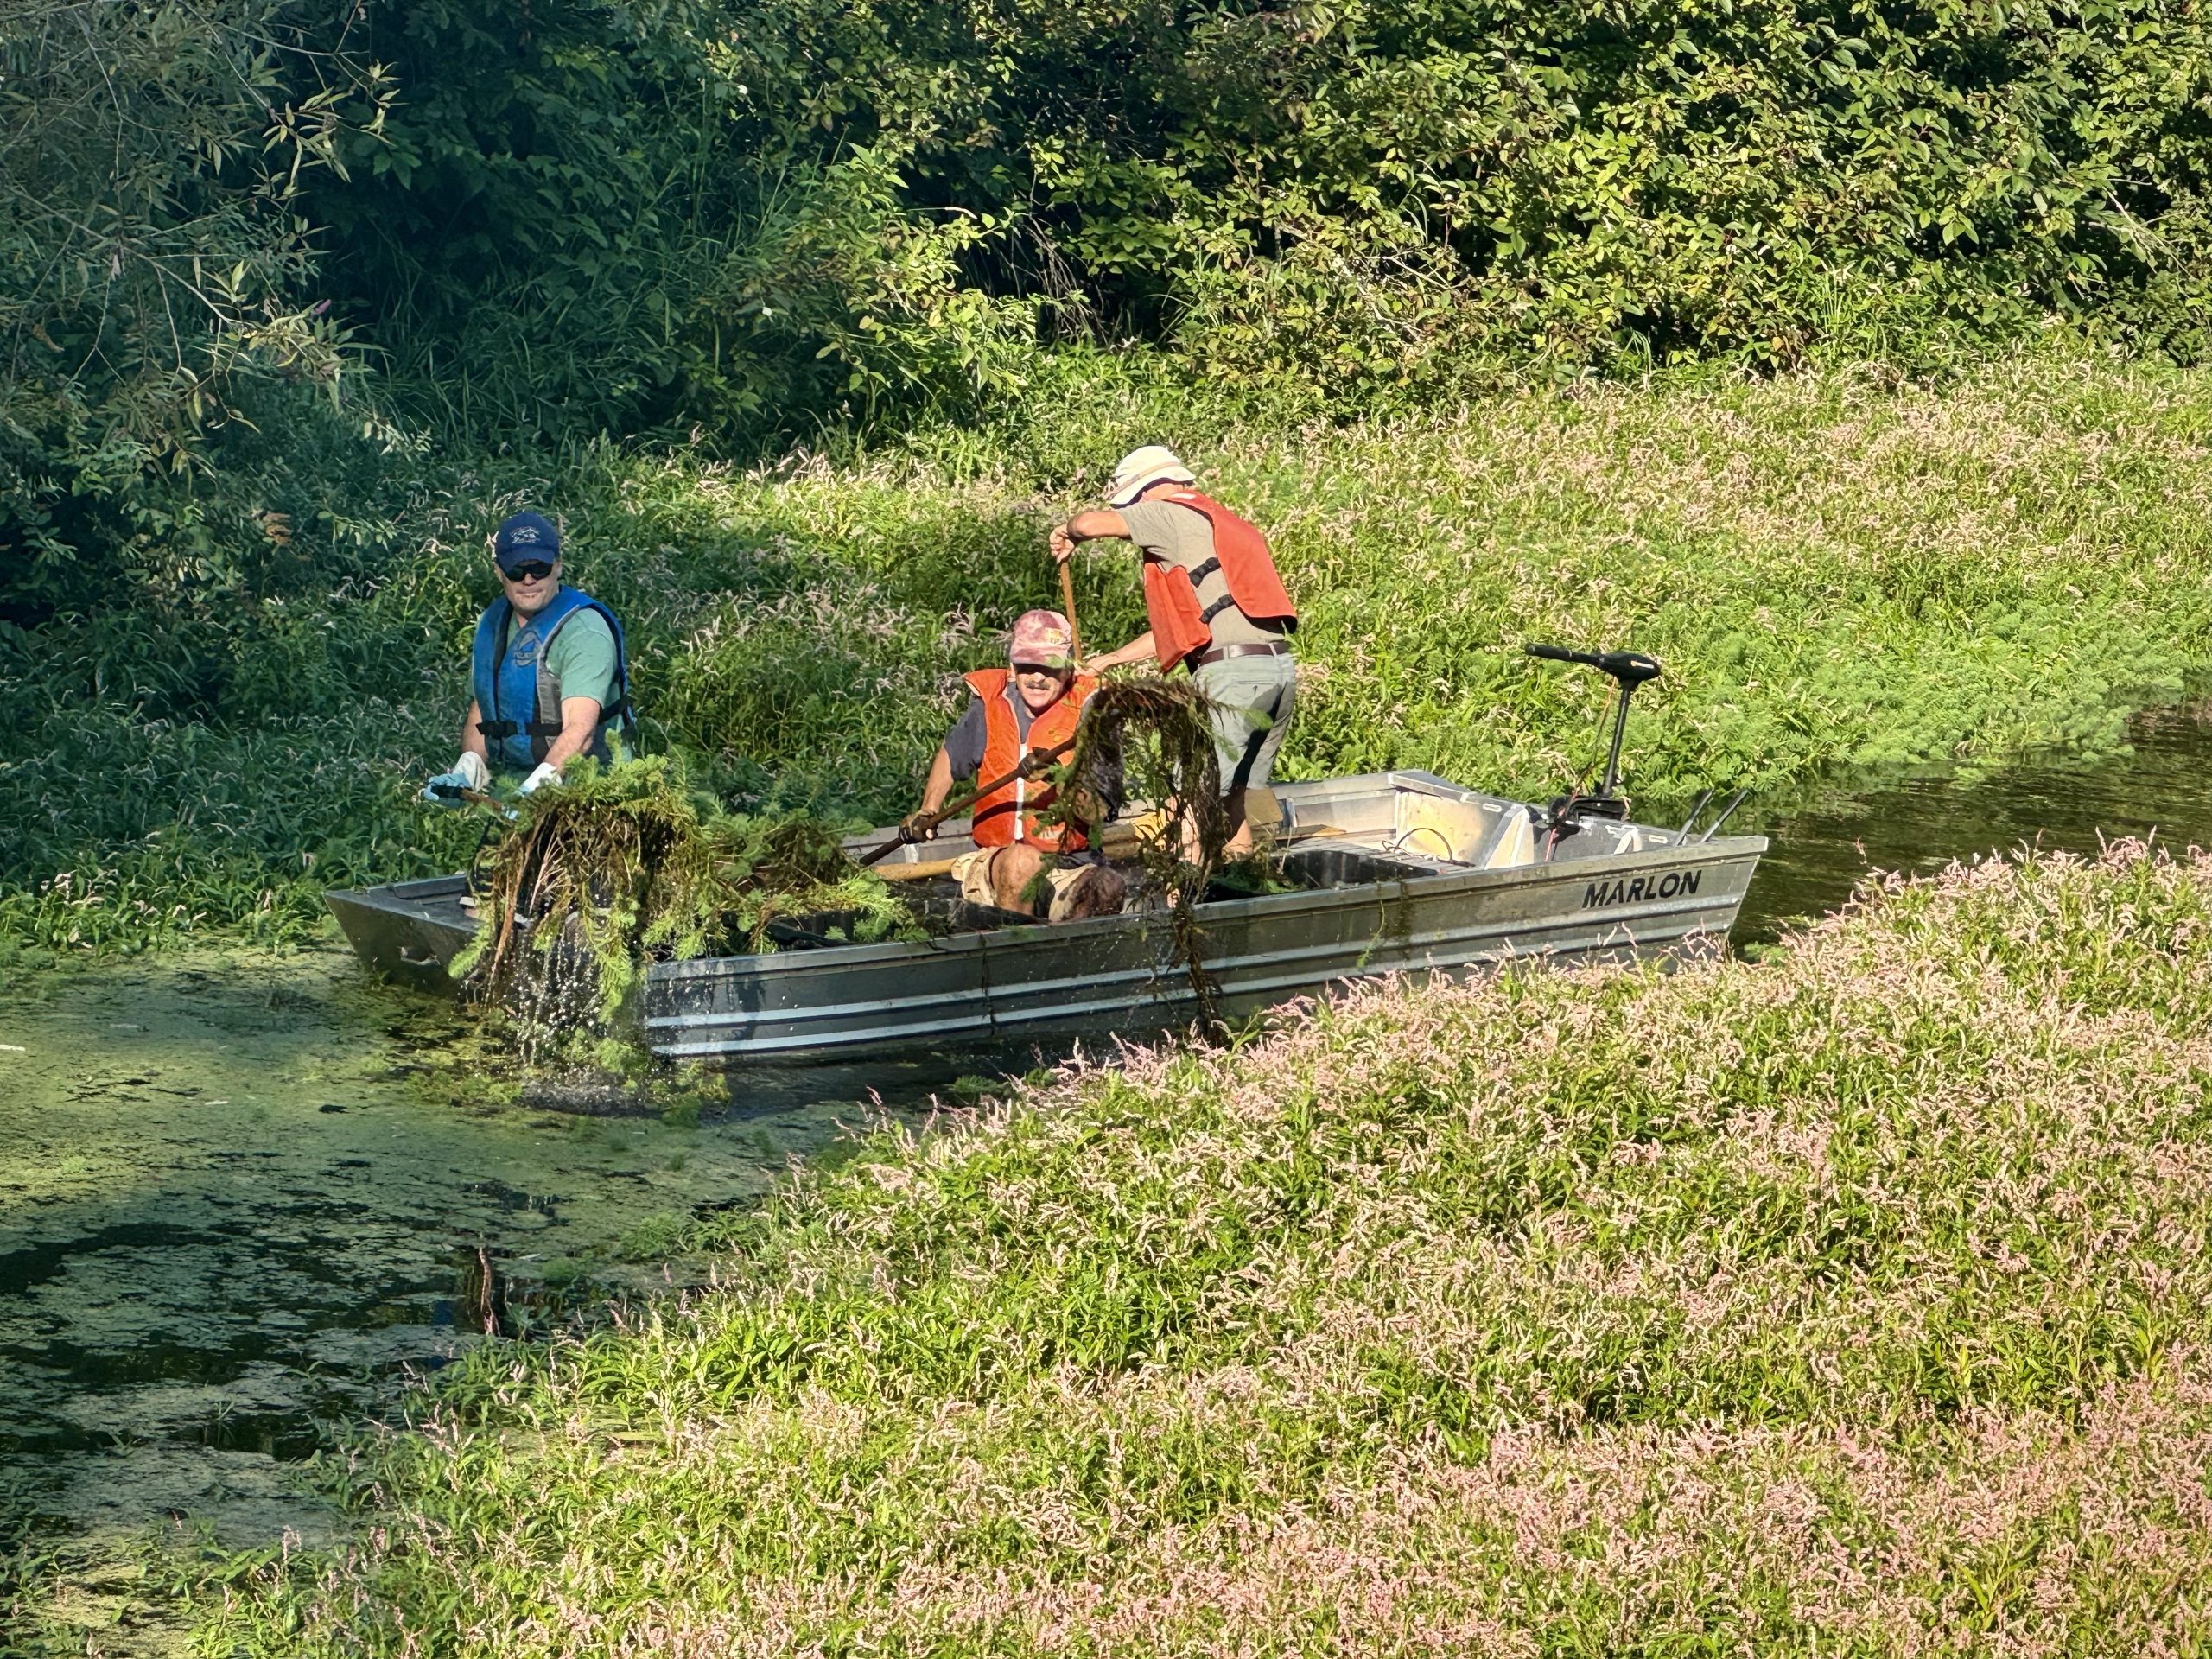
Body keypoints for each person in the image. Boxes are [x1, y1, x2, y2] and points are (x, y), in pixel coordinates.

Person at [1048, 445, 1297, 856]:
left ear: (1142, 492)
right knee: (1231, 797)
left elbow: (1091, 523)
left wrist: (1068, 530)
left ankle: (1181, 911)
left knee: (1186, 802)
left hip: (1231, 678)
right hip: (1276, 672)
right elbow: (1191, 627)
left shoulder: (1164, 511)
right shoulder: (1217, 520)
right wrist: (1111, 659)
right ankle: (1240, 888)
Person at [909, 608, 1126, 921]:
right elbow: (950, 755)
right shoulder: (992, 706)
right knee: (1022, 861)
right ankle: (1015, 957)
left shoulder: (1094, 715)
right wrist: (929, 809)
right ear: (1013, 666)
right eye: (1027, 666)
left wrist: (1057, 778)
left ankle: (1064, 962)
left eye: (1049, 667)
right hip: (998, 861)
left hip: (1071, 863)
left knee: (1108, 886)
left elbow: (1098, 812)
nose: (1037, 677)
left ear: (1067, 669)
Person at [422, 512, 634, 806]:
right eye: (516, 570)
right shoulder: (493, 623)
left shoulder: (585, 632)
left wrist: (538, 789)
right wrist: (468, 767)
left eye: (539, 567)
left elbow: (581, 731)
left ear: (558, 566)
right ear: (499, 572)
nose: (529, 579)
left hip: (588, 787)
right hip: (510, 784)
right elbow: (485, 705)